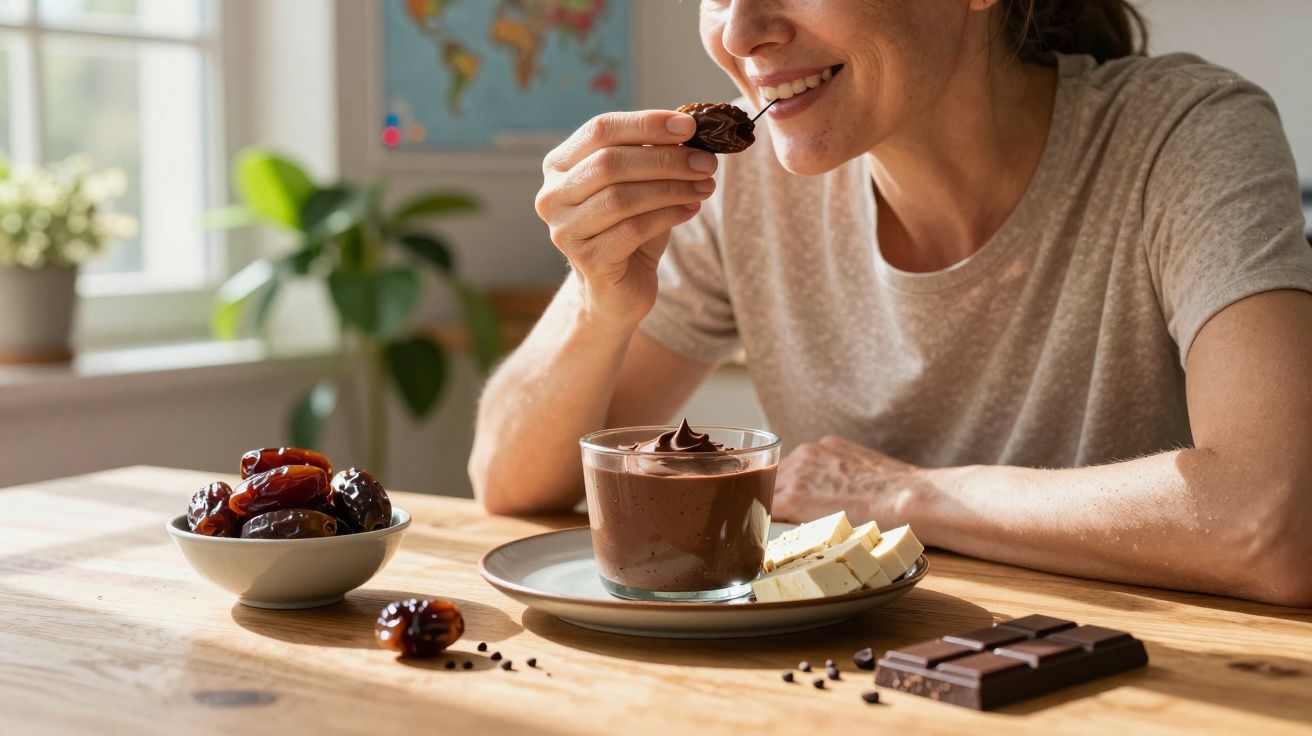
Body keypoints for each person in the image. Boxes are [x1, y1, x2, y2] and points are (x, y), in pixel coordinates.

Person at [468, 0, 1312, 607]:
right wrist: (598, 301)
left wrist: (905, 496)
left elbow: (1274, 518)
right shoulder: (742, 190)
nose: (737, 31)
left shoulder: (1186, 137)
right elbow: (508, 481)